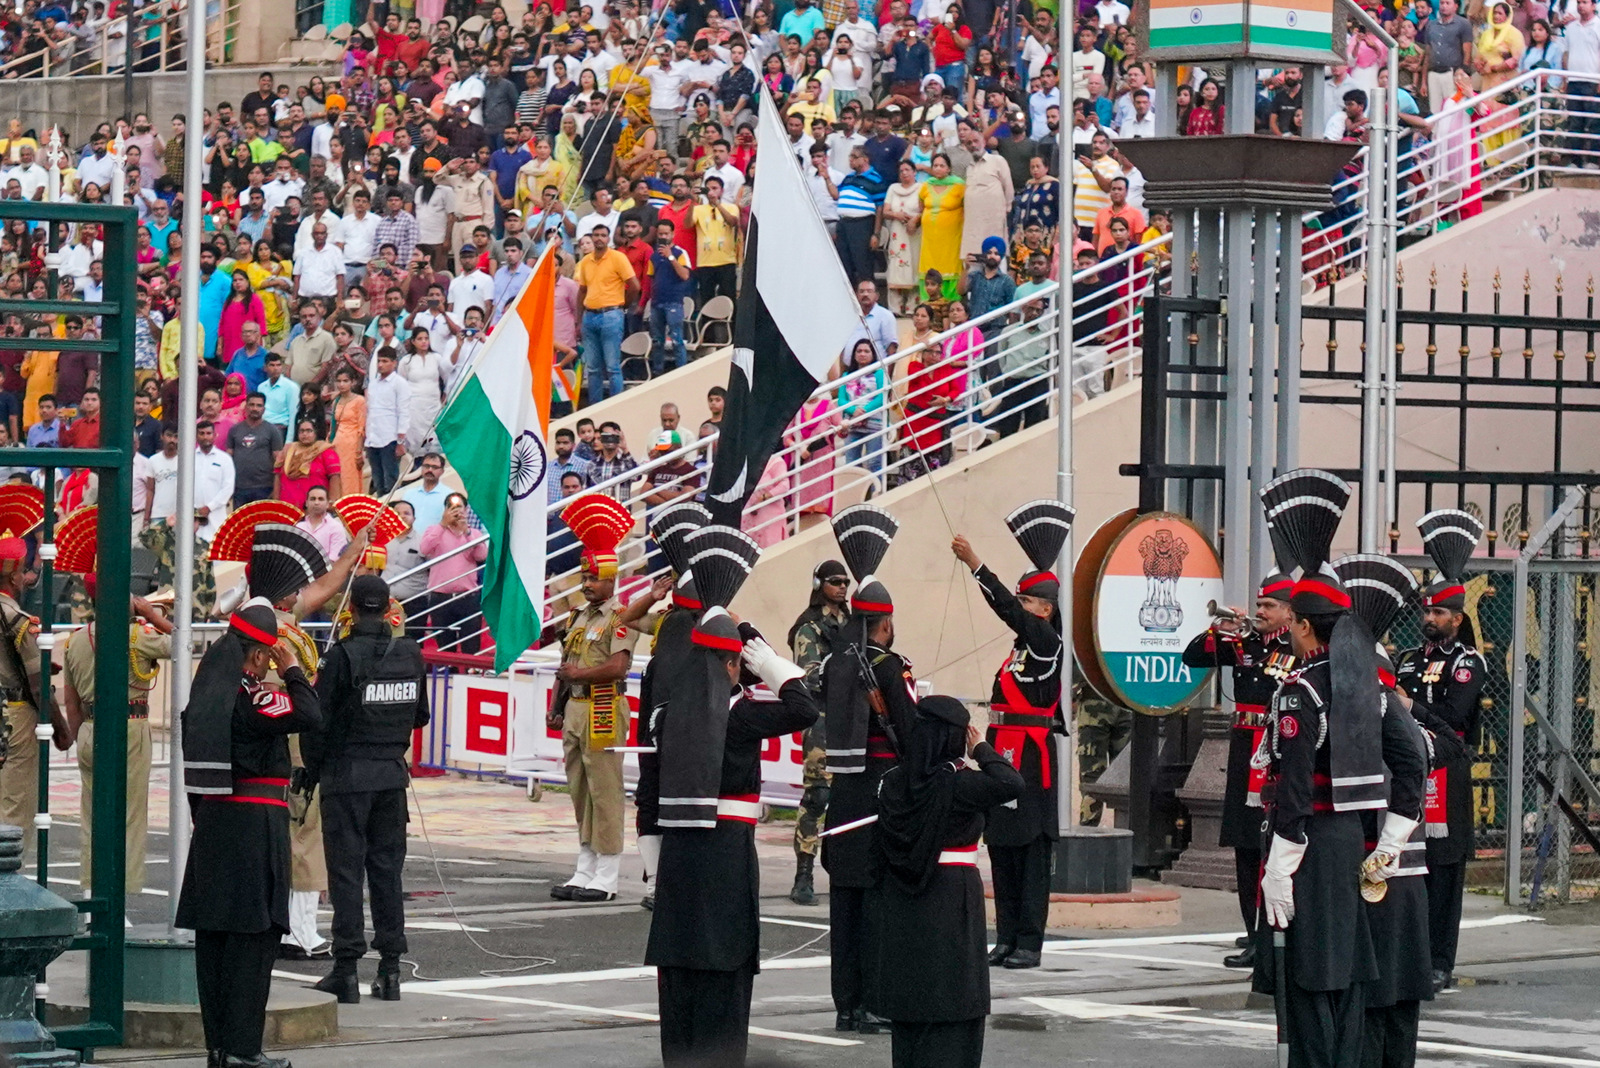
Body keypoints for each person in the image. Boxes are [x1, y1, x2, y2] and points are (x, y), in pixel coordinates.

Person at [645, 602, 819, 1068]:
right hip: (725, 850)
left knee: (678, 975)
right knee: (726, 967)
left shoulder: (667, 714)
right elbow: (804, 708)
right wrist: (768, 660)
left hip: (677, 850)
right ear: (729, 665)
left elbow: (649, 787)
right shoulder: (739, 717)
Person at [1251, 470, 1383, 1068]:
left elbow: (1297, 783)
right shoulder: (1364, 681)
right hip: (1351, 835)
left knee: (1307, 971)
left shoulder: (1301, 689)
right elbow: (1409, 757)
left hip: (1309, 840)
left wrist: (1281, 862)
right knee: (1345, 971)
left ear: (1304, 626)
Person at [176, 602, 321, 1068]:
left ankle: (219, 1048)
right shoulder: (253, 699)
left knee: (214, 940)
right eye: (268, 655)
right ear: (258, 656)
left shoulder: (205, 698)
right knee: (253, 940)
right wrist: (293, 669)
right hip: (254, 826)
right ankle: (243, 1049)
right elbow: (310, 713)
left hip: (213, 823)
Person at [866, 695, 1024, 1067]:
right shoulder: (960, 785)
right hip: (953, 896)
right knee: (956, 1003)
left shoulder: (893, 782)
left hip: (903, 901)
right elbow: (1012, 782)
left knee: (911, 1013)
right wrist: (981, 748)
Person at [949, 503, 1071, 971]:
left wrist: (976, 564)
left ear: (1045, 608)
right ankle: (1005, 936)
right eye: (1019, 601)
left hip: (1032, 756)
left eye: (1026, 602)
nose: (1018, 608)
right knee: (1001, 843)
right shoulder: (1020, 649)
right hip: (1003, 748)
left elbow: (1005, 609)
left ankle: (1029, 940)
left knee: (1030, 849)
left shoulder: (1046, 643)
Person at [303, 575, 428, 1004]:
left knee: (346, 874)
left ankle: (346, 968)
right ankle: (390, 970)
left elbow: (317, 723)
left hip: (347, 776)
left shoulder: (340, 656)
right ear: (389, 608)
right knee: (387, 873)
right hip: (391, 776)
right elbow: (420, 716)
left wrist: (312, 771)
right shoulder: (410, 653)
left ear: (352, 609)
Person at [823, 509, 917, 1034]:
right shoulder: (888, 667)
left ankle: (847, 1004)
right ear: (885, 623)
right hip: (881, 796)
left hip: (844, 796)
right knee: (877, 908)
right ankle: (873, 1001)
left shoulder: (837, 662)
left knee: (845, 910)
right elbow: (909, 730)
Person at [1180, 559, 1298, 969]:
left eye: (1269, 605)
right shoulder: (1246, 643)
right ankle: (1253, 930)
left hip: (1276, 748)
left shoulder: (1295, 648)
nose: (1260, 611)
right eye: (1259, 604)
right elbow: (1192, 657)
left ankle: (1271, 931)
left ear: (1289, 611)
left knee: (1271, 844)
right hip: (1244, 750)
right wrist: (1220, 629)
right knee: (1245, 845)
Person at [1392, 509, 1486, 994]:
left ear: (1457, 618)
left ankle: (1440, 962)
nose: (1429, 619)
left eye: (1438, 613)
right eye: (1426, 612)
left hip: (1446, 773)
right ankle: (1411, 956)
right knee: (1410, 865)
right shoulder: (1409, 660)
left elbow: (1453, 715)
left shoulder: (1468, 663)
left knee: (1445, 872)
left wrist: (1411, 707)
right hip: (1410, 767)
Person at [550, 494, 642, 902]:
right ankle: (584, 867)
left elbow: (618, 666)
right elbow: (565, 664)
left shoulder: (621, 617)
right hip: (575, 708)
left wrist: (578, 676)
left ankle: (606, 875)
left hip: (604, 705)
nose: (586, 585)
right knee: (580, 790)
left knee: (605, 791)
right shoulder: (578, 617)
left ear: (611, 580)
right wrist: (556, 706)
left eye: (593, 579)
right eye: (584, 578)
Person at [62, 580, 174, 893]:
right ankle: (119, 895)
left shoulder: (76, 640)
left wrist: (81, 737)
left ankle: (91, 891)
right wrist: (152, 615)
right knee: (130, 816)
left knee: (92, 815)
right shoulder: (138, 635)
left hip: (90, 727)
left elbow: (71, 701)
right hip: (129, 727)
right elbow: (185, 644)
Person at [0, 502, 63, 862]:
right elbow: (38, 686)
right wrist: (61, 728)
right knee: (15, 802)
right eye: (25, 571)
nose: (28, 578)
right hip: (15, 716)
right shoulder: (18, 619)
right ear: (12, 578)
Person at [786, 560, 851, 905]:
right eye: (835, 581)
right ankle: (804, 873)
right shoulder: (809, 627)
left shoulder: (853, 623)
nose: (842, 587)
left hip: (851, 719)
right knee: (818, 796)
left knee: (853, 797)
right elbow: (809, 674)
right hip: (822, 718)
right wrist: (843, 668)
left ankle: (846, 868)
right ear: (819, 585)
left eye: (845, 582)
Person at [574, 223, 638, 404]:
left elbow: (634, 286)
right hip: (589, 316)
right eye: (596, 235)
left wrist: (622, 305)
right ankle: (595, 406)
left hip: (611, 314)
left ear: (608, 238)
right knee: (593, 368)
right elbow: (582, 291)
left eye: (603, 235)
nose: (599, 238)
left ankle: (615, 405)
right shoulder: (586, 261)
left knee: (612, 367)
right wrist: (578, 320)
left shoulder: (618, 258)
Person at [419, 493, 488, 654]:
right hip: (440, 598)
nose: (456, 511)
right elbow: (424, 549)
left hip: (468, 597)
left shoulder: (475, 533)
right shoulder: (434, 530)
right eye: (451, 507)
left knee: (471, 646)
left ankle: (470, 670)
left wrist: (466, 531)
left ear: (466, 510)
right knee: (445, 646)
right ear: (445, 510)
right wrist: (443, 525)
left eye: (459, 507)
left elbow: (481, 556)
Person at [365, 348, 409, 495]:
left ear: (394, 363)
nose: (380, 365)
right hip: (373, 438)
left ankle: (391, 507)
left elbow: (403, 412)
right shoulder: (373, 383)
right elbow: (371, 411)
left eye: (385, 361)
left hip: (389, 438)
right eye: (379, 361)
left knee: (390, 480)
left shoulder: (399, 383)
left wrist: (400, 441)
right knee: (377, 480)